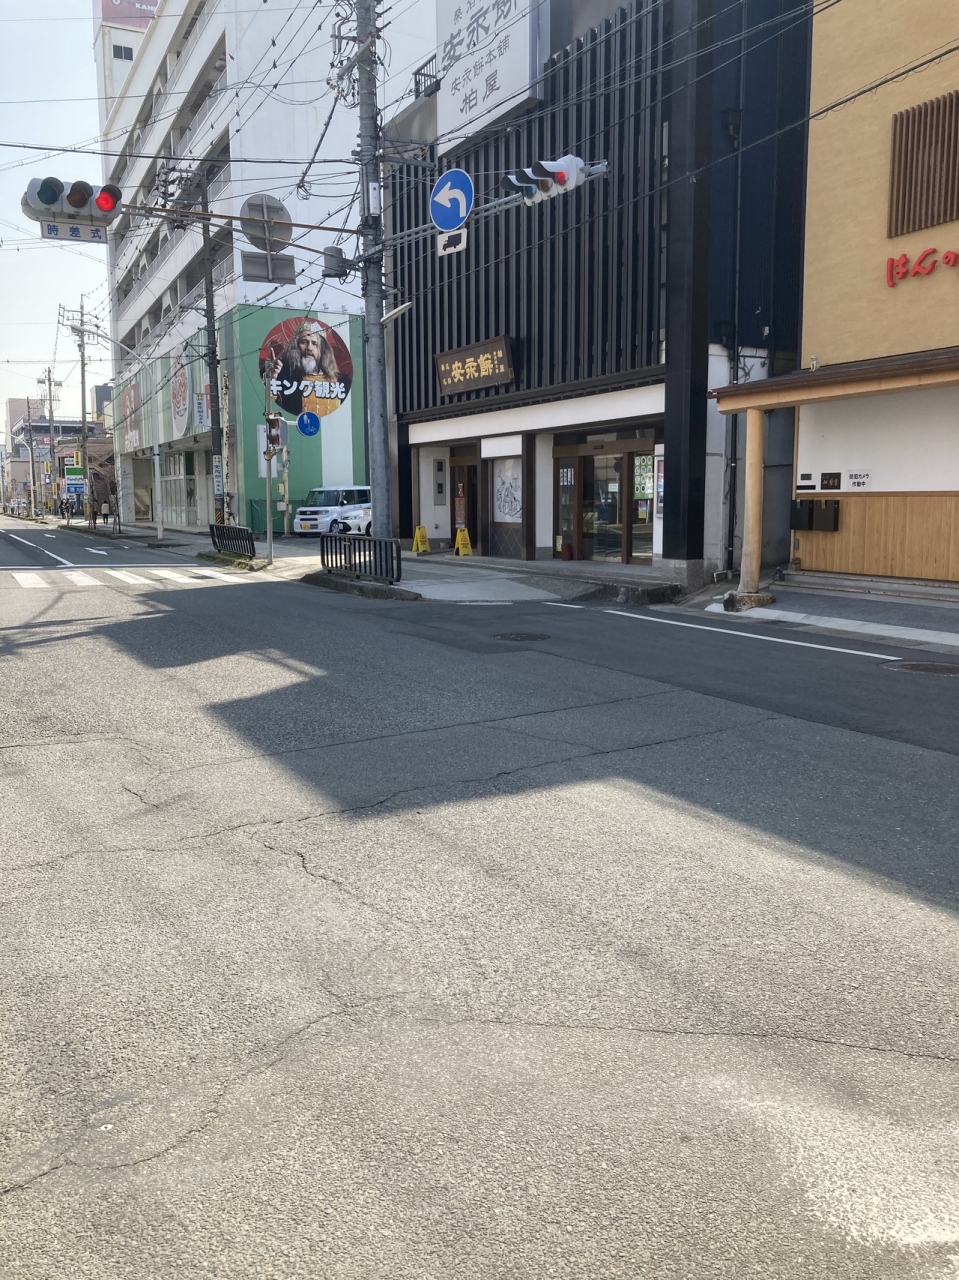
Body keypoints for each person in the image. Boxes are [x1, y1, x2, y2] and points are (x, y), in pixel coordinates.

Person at [262, 319, 341, 415]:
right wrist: (272, 378)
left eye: (315, 343)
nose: (309, 348)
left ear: (322, 350)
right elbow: (271, 406)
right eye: (304, 342)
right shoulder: (286, 375)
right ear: (296, 346)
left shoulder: (339, 380)